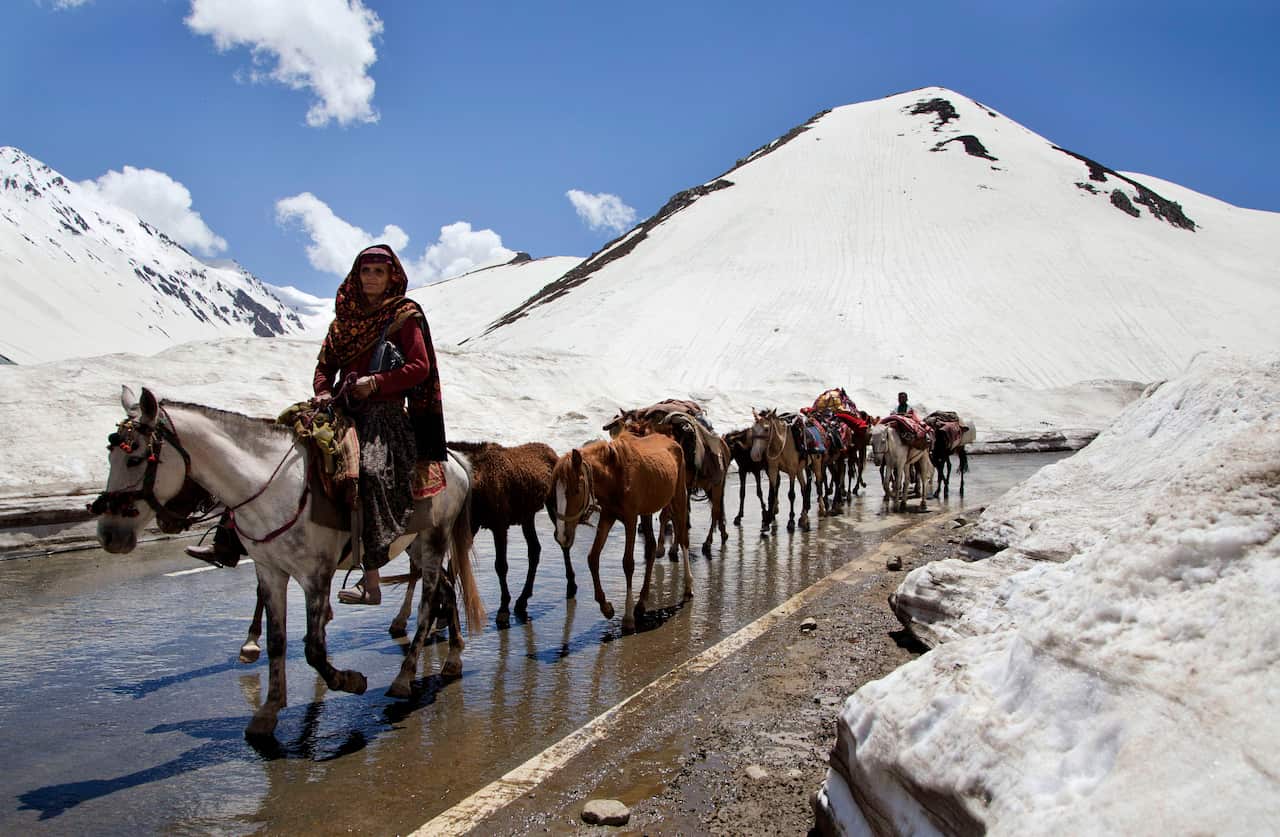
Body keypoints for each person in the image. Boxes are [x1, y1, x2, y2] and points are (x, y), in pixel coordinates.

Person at [187, 244, 448, 608]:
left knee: (371, 474)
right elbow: (325, 366)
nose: (371, 278)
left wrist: (375, 384)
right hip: (340, 408)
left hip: (384, 417)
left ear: (392, 277)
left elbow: (418, 367)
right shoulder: (344, 321)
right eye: (365, 271)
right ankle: (227, 540)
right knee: (270, 454)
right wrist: (324, 392)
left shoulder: (404, 317)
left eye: (378, 272)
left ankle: (370, 580)